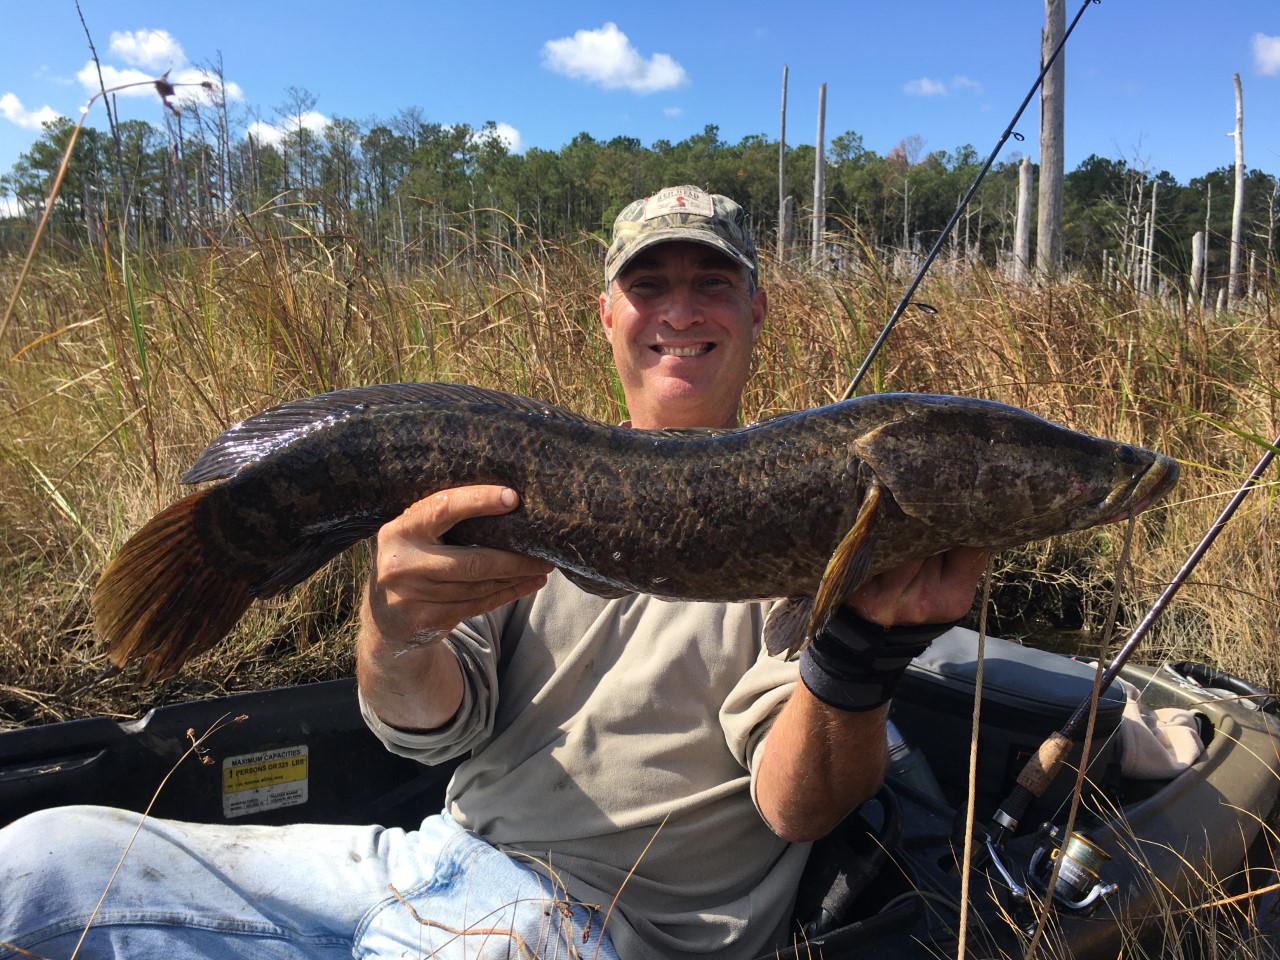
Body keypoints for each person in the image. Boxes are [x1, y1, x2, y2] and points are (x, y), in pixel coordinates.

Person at [0, 185, 987, 960]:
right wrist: (393, 625)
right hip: (429, 866)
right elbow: (428, 727)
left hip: (594, 932)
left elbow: (796, 807)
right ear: (604, 314)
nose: (678, 311)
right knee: (41, 866)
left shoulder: (817, 525)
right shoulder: (512, 477)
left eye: (712, 284)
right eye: (649, 285)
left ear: (755, 309)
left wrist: (860, 658)